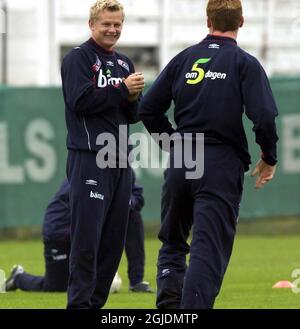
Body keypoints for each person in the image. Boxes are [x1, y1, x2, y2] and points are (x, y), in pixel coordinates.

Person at [138, 0, 278, 309]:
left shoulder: (184, 59)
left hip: (182, 158)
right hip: (219, 161)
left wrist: (173, 144)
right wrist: (269, 157)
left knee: (173, 241)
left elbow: (147, 108)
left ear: (207, 20)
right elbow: (264, 117)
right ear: (241, 21)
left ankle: (169, 310)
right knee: (207, 245)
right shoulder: (244, 63)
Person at [61, 0, 145, 308]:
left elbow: (132, 115)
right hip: (90, 157)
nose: (112, 29)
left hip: (120, 160)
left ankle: (95, 305)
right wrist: (122, 90)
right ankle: (79, 305)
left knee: (113, 244)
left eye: (117, 24)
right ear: (92, 24)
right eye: (106, 24)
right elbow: (79, 100)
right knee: (87, 241)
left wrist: (134, 96)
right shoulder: (77, 59)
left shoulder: (125, 64)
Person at [5, 174, 153, 293]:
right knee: (56, 287)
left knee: (131, 214)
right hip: (61, 232)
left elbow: (137, 196)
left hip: (91, 229)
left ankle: (136, 281)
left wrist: (125, 203)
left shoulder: (121, 168)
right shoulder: (86, 172)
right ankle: (18, 277)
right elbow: (86, 208)